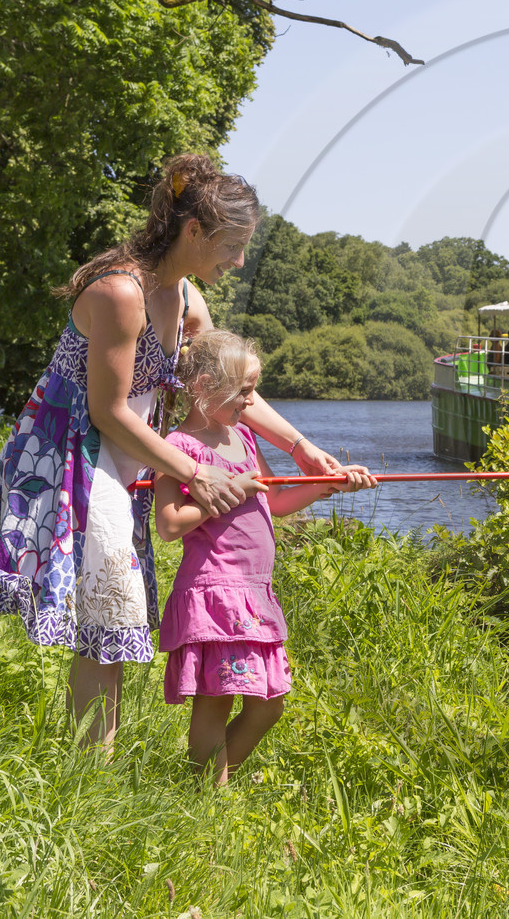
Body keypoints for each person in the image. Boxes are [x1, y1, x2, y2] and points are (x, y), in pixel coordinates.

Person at [0, 154, 373, 751]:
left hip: (131, 456)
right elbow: (107, 411)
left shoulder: (190, 302)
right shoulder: (121, 293)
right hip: (77, 457)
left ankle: (90, 776)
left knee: (109, 616)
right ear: (194, 231)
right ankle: (91, 777)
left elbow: (225, 390)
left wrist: (300, 447)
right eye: (233, 245)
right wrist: (195, 472)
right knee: (109, 616)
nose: (239, 261)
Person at [153, 330, 353, 785]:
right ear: (203, 386)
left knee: (268, 704)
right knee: (216, 699)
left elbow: (276, 503)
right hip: (215, 591)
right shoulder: (178, 448)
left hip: (253, 592)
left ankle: (204, 787)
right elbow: (168, 524)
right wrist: (227, 492)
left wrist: (328, 484)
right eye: (243, 391)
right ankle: (211, 800)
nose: (251, 402)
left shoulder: (243, 437)